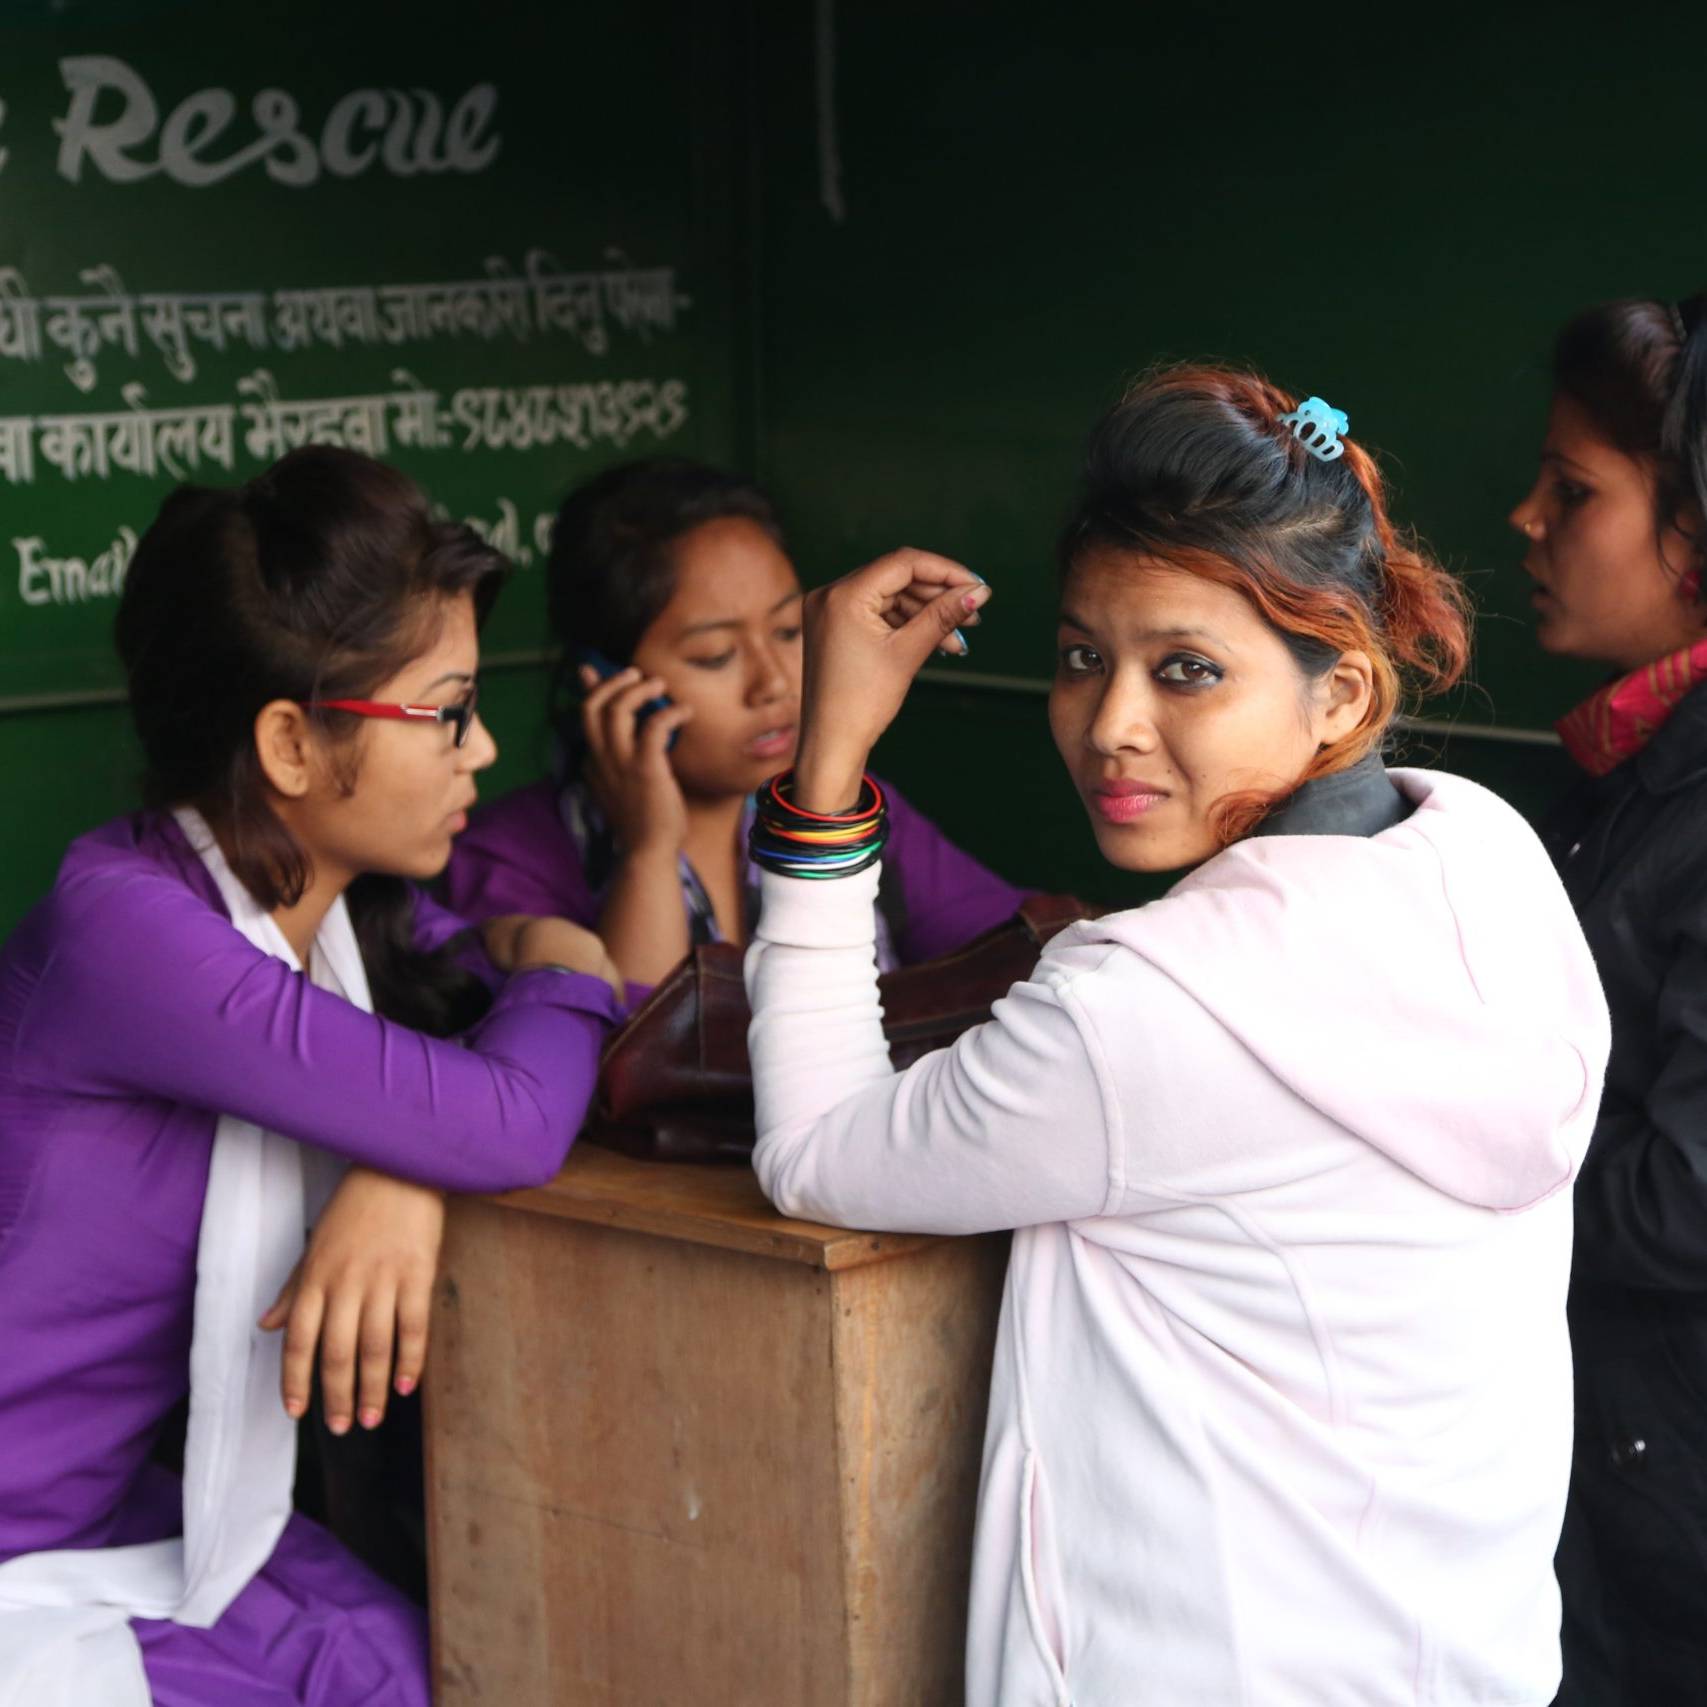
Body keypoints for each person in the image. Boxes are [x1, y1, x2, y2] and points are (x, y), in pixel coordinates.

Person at [741, 368, 1610, 1705]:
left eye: (1185, 669)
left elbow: (809, 1148)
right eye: (1085, 655)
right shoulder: (1487, 857)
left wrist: (826, 764)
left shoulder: (1139, 1010)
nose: (1110, 724)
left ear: (1338, 694)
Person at [0, 447, 621, 1707]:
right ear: (289, 742)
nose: (484, 746)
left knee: (429, 1664)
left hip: (119, 1511)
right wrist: (570, 956)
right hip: (30, 1544)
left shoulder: (341, 916)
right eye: (445, 710)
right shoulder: (124, 929)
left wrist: (405, 1159)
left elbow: (462, 1076)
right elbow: (507, 1115)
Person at [442, 458, 1027, 990]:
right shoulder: (505, 858)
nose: (773, 684)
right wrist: (648, 853)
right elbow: (629, 1072)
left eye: (788, 632)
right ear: (606, 678)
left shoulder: (848, 811)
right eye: (716, 656)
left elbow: (1015, 944)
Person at [1510, 291, 1707, 1707]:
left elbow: (1686, 1195)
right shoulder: (1610, 765)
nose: (1525, 518)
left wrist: (1417, 1211)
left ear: (1691, 538)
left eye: (1571, 490)